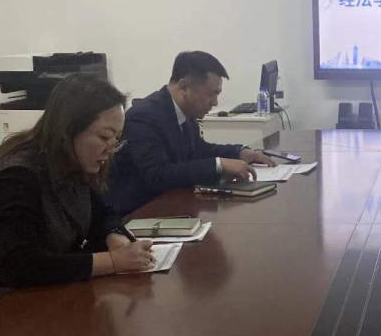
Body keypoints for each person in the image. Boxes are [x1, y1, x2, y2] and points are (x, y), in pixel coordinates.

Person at [0, 75, 155, 326]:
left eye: (116, 139)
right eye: (104, 137)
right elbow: (23, 265)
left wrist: (114, 236)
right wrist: (114, 261)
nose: (110, 149)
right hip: (3, 316)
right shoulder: (16, 178)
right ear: (68, 130)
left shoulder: (72, 162)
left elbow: (101, 212)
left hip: (51, 296)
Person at [109, 51, 275, 215]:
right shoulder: (144, 117)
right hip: (141, 212)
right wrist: (218, 165)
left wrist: (239, 152)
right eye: (211, 94)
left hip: (172, 205)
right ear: (184, 87)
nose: (215, 103)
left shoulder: (185, 112)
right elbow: (157, 175)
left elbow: (198, 150)